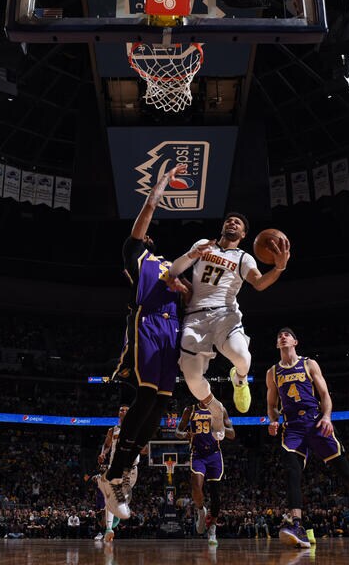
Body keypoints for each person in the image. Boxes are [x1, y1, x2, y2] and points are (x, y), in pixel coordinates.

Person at [99, 163, 191, 521]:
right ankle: (114, 473)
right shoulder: (137, 256)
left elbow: (189, 295)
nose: (147, 236)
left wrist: (183, 289)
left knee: (161, 406)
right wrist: (161, 186)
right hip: (148, 324)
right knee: (147, 394)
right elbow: (147, 214)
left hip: (173, 330)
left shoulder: (172, 264)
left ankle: (118, 472)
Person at [170, 213, 290, 436]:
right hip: (195, 317)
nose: (232, 222)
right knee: (191, 376)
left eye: (238, 222)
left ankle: (240, 379)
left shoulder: (244, 258)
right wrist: (192, 254)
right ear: (223, 226)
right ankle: (215, 407)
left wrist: (279, 268)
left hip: (225, 314)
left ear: (243, 235)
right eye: (229, 220)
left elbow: (259, 283)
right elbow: (174, 270)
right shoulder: (203, 245)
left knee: (243, 357)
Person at [266, 327, 349, 548]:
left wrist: (328, 417)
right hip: (292, 428)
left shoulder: (309, 364)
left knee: (346, 474)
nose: (282, 337)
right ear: (277, 345)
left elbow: (324, 395)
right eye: (279, 336)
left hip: (316, 422)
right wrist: (274, 420)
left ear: (295, 341)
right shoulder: (272, 372)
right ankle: (297, 525)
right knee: (292, 471)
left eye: (287, 335)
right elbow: (271, 406)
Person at [174, 400, 235, 545]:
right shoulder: (190, 409)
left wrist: (220, 427)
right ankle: (201, 510)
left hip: (214, 455)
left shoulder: (220, 409)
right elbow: (178, 431)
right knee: (196, 484)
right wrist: (183, 435)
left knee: (216, 495)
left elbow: (232, 434)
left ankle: (212, 528)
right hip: (198, 455)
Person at [95, 405, 141, 542]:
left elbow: (144, 449)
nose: (124, 412)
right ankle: (109, 529)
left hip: (131, 469)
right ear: (118, 413)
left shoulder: (137, 428)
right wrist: (103, 453)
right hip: (114, 467)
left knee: (120, 499)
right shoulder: (112, 430)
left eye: (127, 410)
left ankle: (116, 516)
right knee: (110, 496)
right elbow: (107, 445)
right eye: (121, 410)